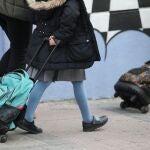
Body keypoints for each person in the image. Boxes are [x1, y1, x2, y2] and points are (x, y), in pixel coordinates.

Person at [17, 0, 108, 133]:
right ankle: (88, 120)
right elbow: (71, 16)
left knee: (44, 80)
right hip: (67, 46)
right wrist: (59, 36)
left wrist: (53, 34)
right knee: (76, 81)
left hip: (47, 43)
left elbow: (35, 16)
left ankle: (28, 118)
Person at [0, 0, 33, 76]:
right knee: (20, 50)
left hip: (5, 8)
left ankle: (7, 83)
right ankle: (11, 86)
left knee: (18, 47)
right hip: (18, 12)